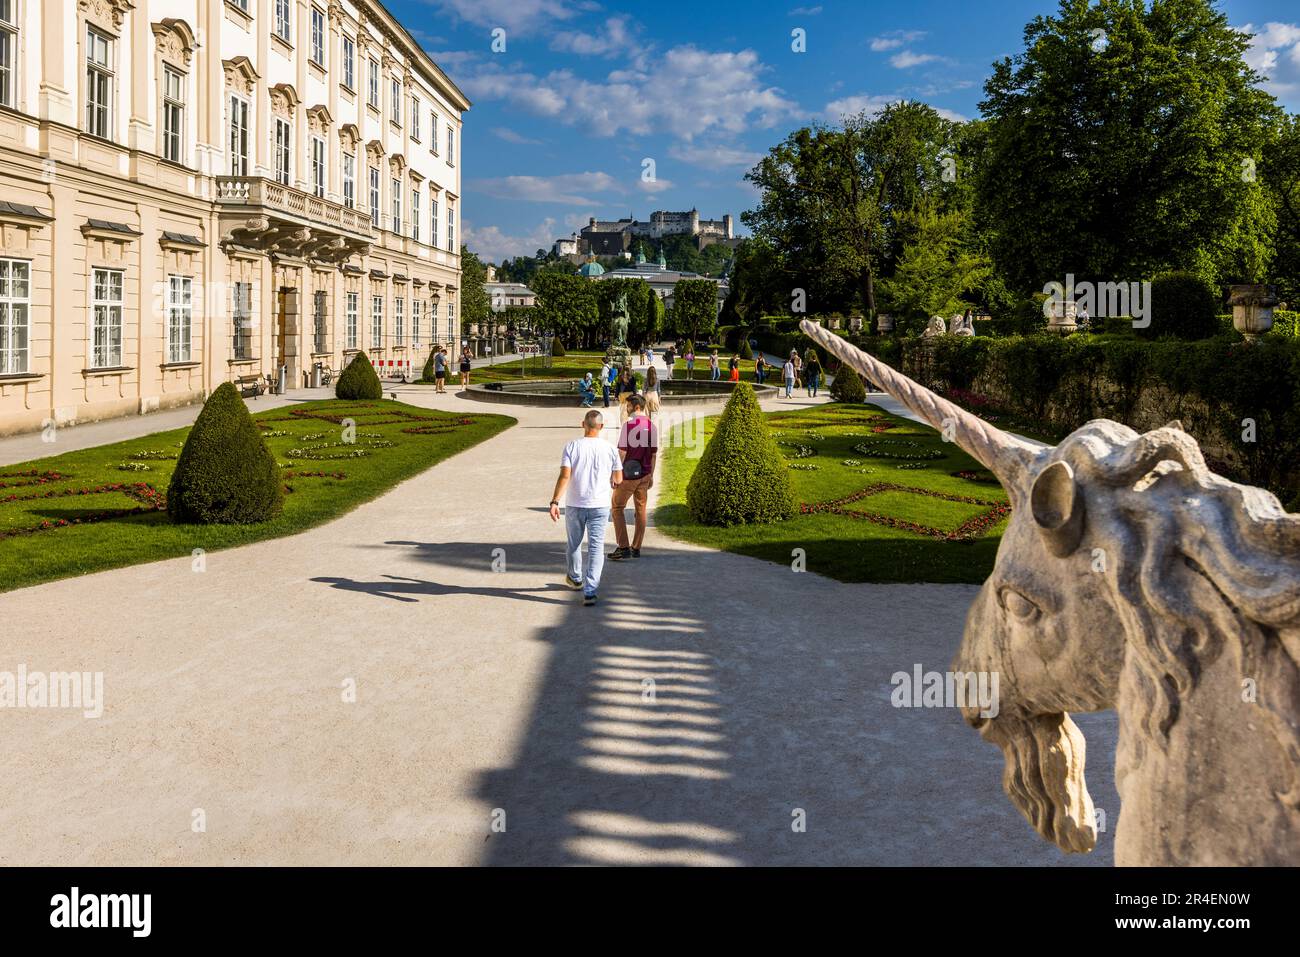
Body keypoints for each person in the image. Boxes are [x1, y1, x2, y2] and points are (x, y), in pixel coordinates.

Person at [549, 410, 623, 606]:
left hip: (575, 503)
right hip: (600, 505)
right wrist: (611, 480)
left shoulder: (572, 446)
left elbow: (565, 476)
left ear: (583, 424)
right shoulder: (610, 449)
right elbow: (618, 479)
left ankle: (575, 578)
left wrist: (555, 501)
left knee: (574, 543)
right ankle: (590, 591)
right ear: (601, 427)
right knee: (596, 548)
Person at [608, 395, 657, 562]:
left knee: (617, 507)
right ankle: (636, 547)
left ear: (636, 407)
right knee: (640, 510)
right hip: (644, 474)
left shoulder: (628, 426)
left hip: (629, 474)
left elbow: (622, 452)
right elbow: (653, 454)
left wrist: (615, 473)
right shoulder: (652, 426)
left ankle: (623, 547)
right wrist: (651, 475)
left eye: (628, 405)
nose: (626, 408)